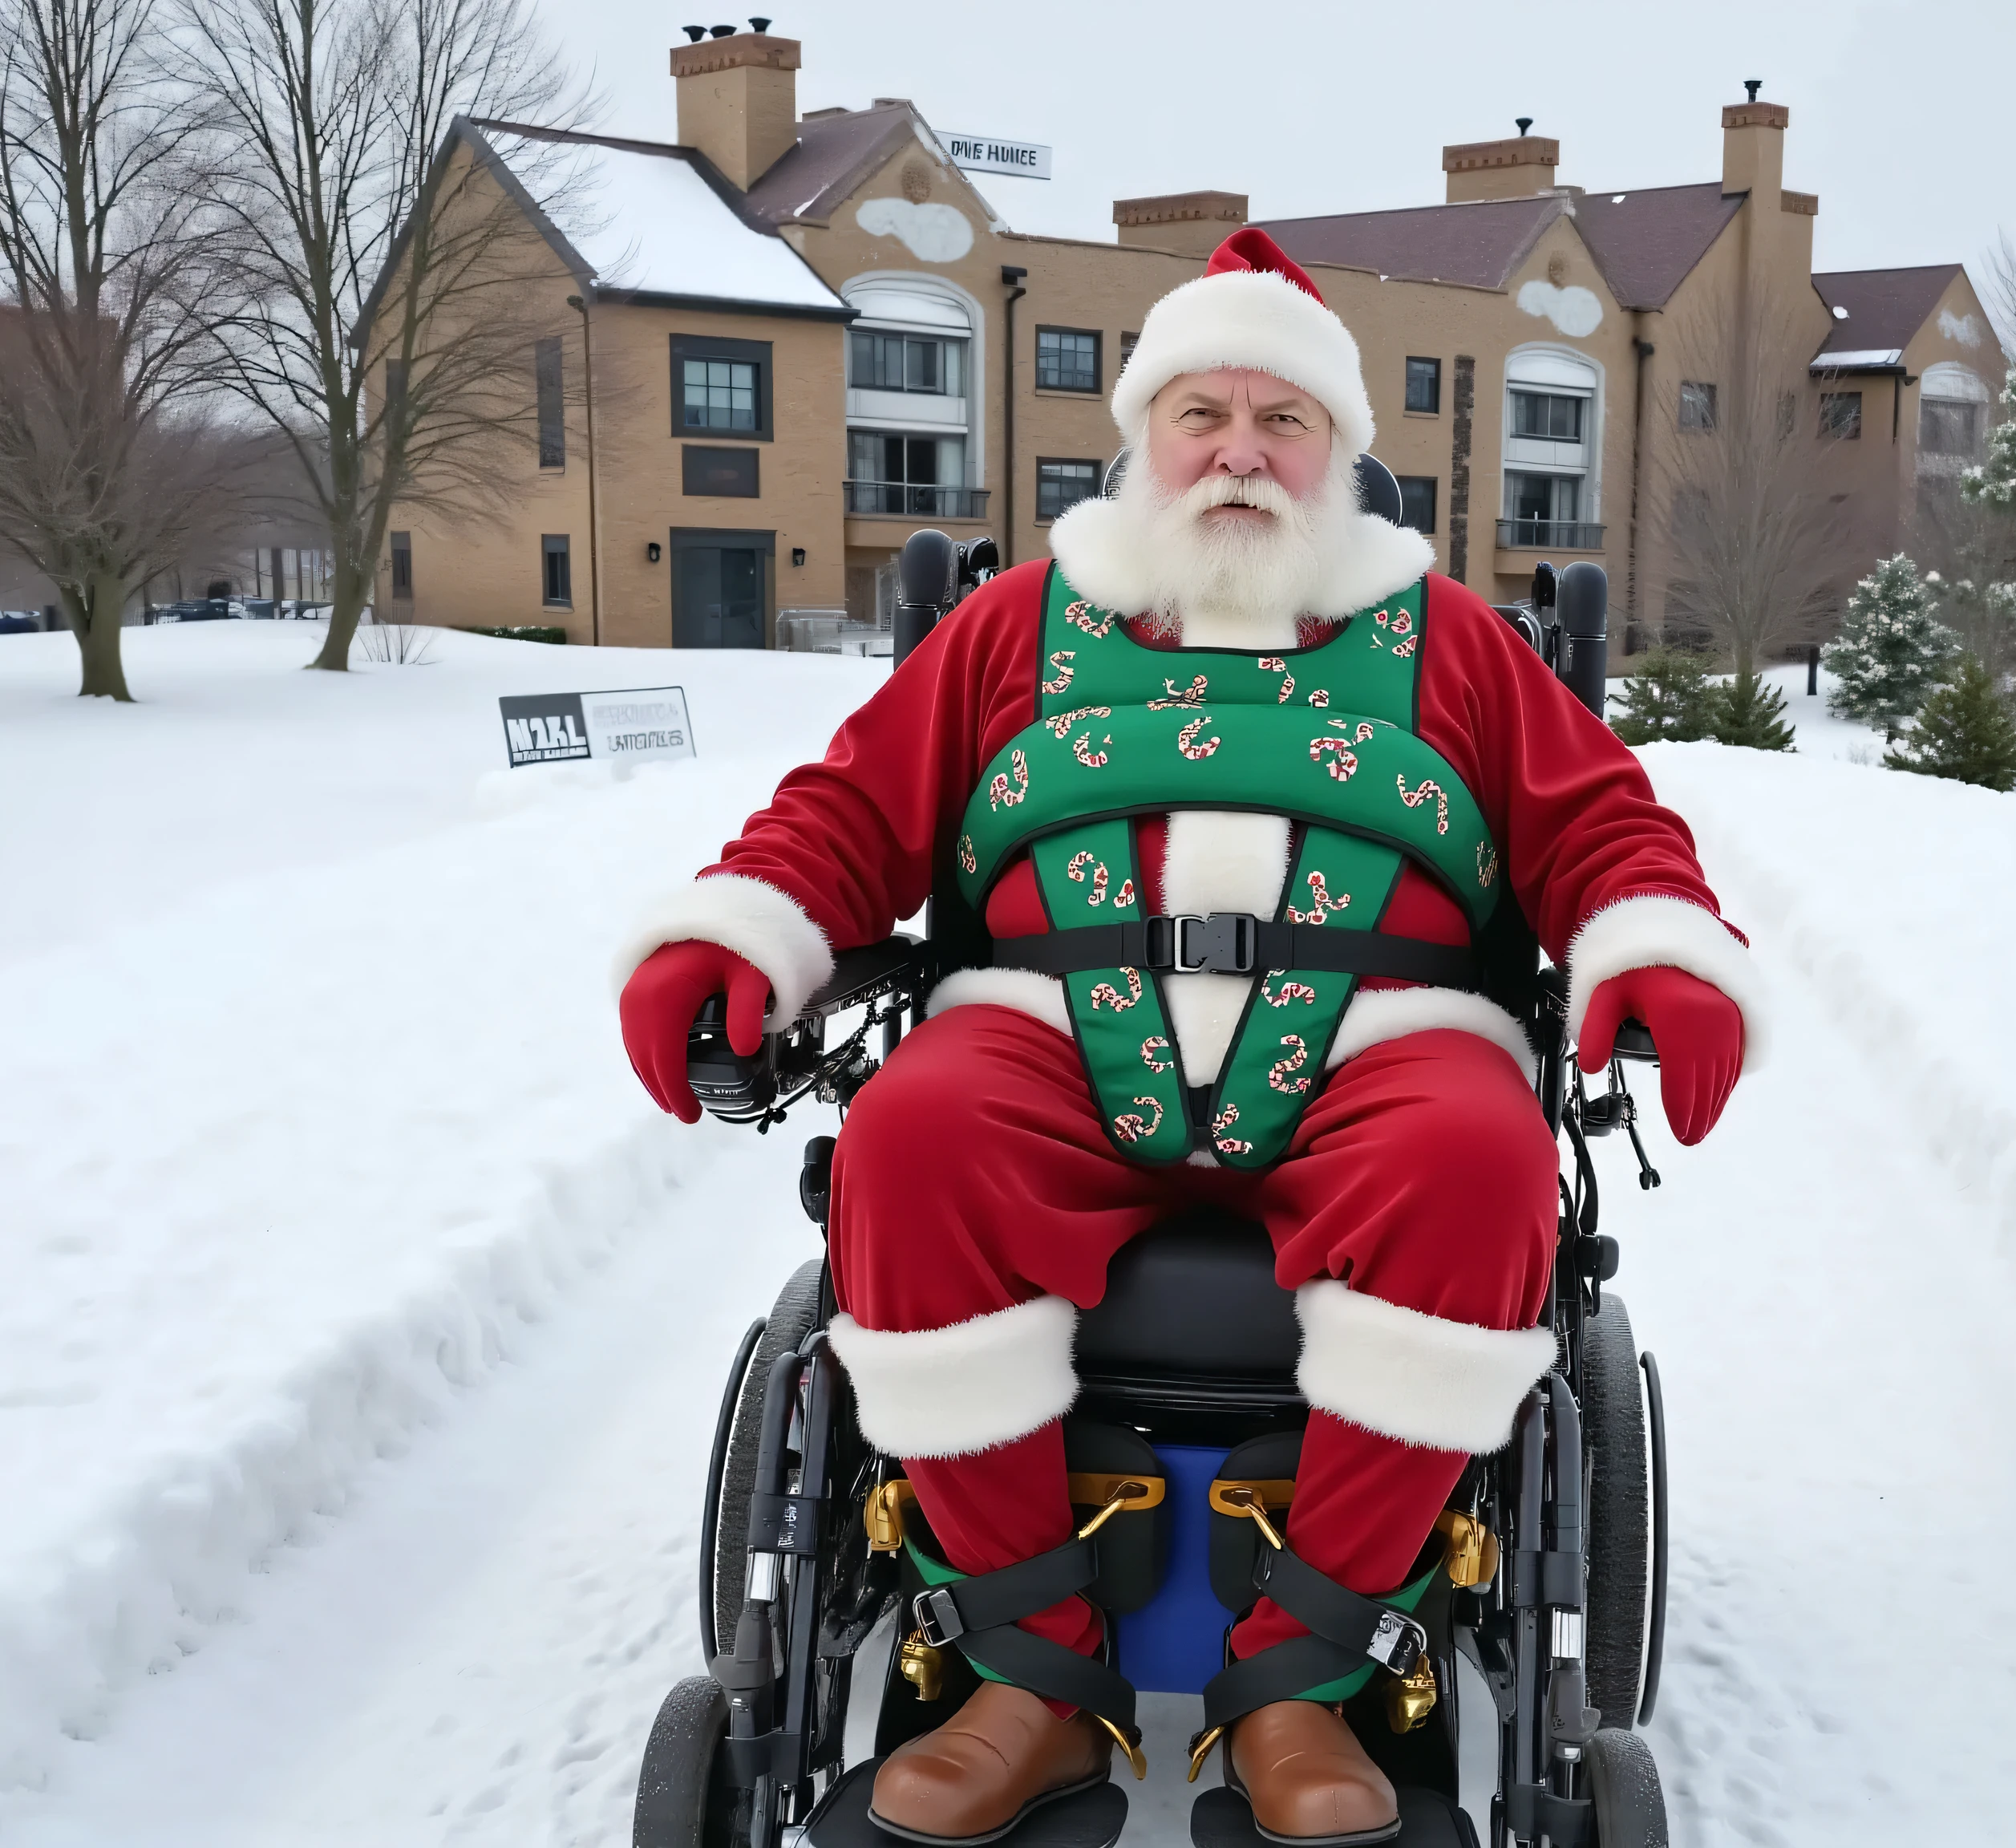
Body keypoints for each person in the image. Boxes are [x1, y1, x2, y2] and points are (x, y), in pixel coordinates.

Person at [617, 229, 1765, 1847]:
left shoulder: (1460, 647)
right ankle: (1030, 1682)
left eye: (1282, 417)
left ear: (1339, 454)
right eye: (1202, 412)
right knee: (915, 1132)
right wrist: (731, 932)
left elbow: (1607, 831)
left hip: (1379, 1051)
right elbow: (847, 816)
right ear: (1143, 439)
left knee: (1476, 1147)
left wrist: (1664, 955)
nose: (1239, 448)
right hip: (1050, 1045)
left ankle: (1308, 1683)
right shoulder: (1018, 627)